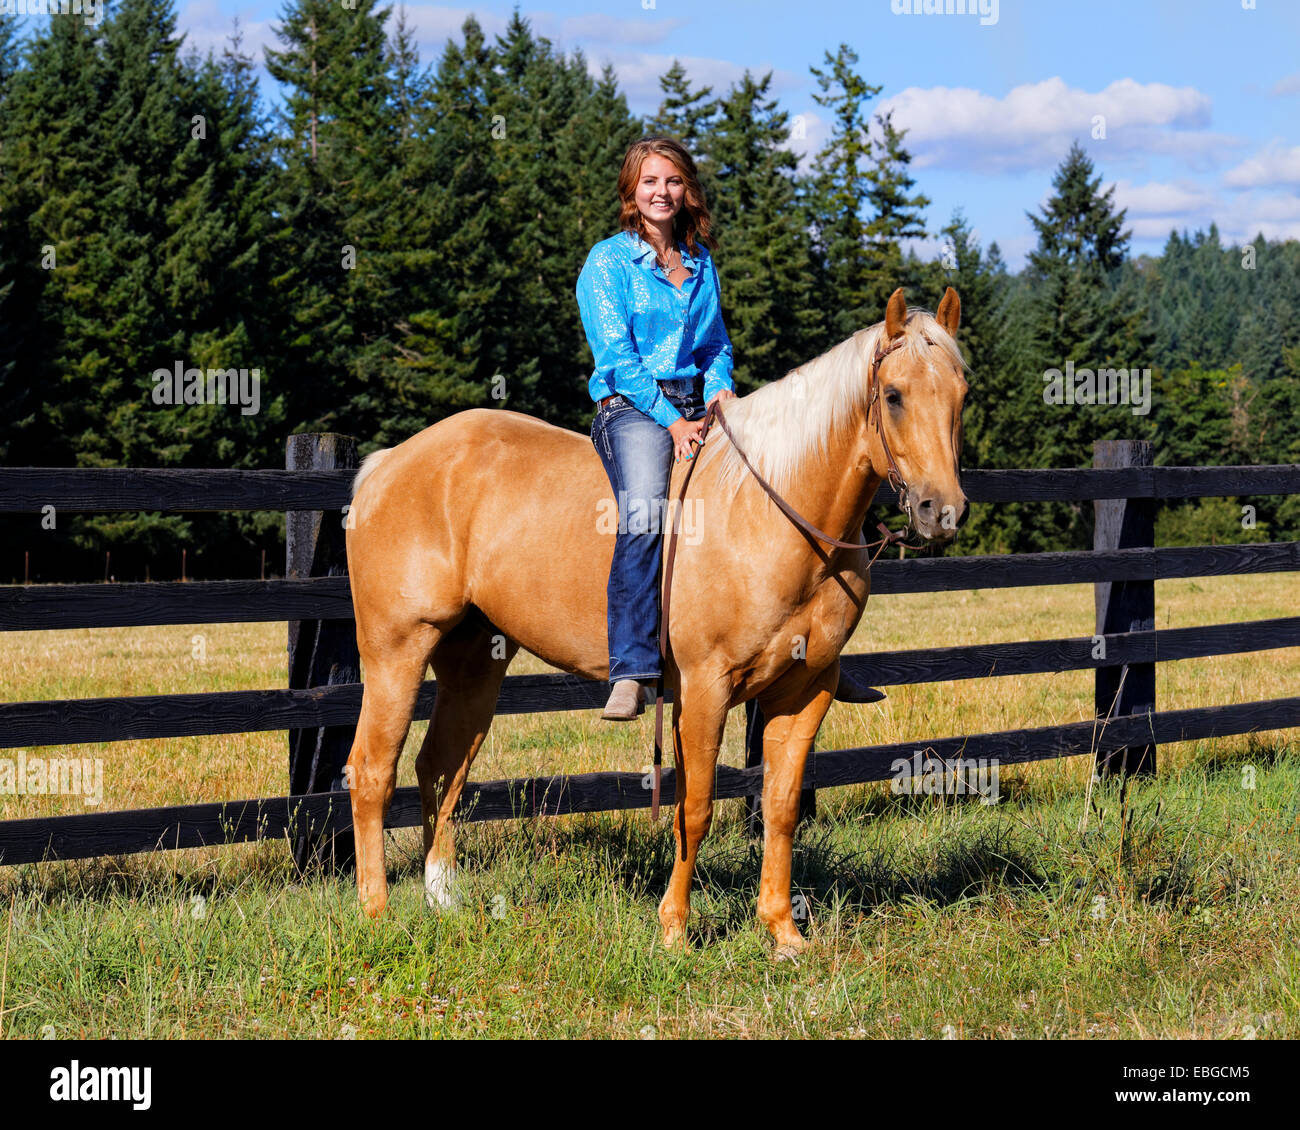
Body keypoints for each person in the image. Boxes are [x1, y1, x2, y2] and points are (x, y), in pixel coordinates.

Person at [576, 137, 736, 721]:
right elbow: (618, 359)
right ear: (631, 191)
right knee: (645, 508)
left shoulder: (700, 261)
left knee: (777, 474)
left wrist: (719, 388)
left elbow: (715, 344)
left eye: (672, 181)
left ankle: (805, 651)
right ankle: (632, 670)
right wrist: (673, 422)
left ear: (686, 190)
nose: (661, 192)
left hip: (698, 400)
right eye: (649, 181)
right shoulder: (607, 262)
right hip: (633, 407)